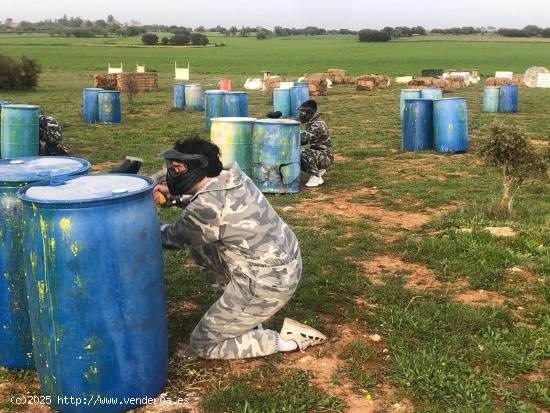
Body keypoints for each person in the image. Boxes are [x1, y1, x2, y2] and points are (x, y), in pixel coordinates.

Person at [153, 137, 327, 359]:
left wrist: (141, 213)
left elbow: (169, 238)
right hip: (280, 264)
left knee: (203, 343)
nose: (172, 174)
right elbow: (213, 208)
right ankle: (240, 313)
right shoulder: (231, 176)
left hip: (267, 282)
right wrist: (174, 199)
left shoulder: (207, 206)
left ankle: (288, 340)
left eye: (178, 169)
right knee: (202, 248)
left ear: (197, 168)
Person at [298, 100, 334, 188]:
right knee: (298, 156)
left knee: (302, 153)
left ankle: (316, 176)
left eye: (303, 112)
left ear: (310, 113)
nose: (301, 114)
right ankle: (319, 169)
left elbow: (303, 140)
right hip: (319, 154)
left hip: (325, 156)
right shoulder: (312, 122)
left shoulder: (318, 124)